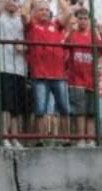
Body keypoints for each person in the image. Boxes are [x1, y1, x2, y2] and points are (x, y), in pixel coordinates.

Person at [24, 0, 70, 141]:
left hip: (58, 75)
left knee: (64, 109)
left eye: (46, 10)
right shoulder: (31, 25)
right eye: (41, 10)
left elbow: (68, 12)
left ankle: (66, 139)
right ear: (35, 12)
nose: (44, 12)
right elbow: (24, 13)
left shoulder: (55, 25)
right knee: (40, 110)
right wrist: (31, 1)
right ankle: (40, 139)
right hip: (40, 75)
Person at [0, 0, 27, 147]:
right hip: (4, 65)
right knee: (6, 105)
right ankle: (4, 135)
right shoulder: (0, 16)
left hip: (20, 67)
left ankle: (15, 136)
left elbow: (30, 39)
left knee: (16, 106)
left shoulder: (22, 19)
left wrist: (24, 47)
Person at [64, 6, 96, 145]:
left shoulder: (93, 36)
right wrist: (71, 30)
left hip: (91, 79)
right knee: (80, 112)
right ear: (77, 20)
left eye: (85, 18)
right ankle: (81, 139)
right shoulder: (73, 34)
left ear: (89, 20)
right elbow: (65, 46)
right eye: (80, 18)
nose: (82, 21)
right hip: (76, 80)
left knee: (91, 113)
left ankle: (91, 140)